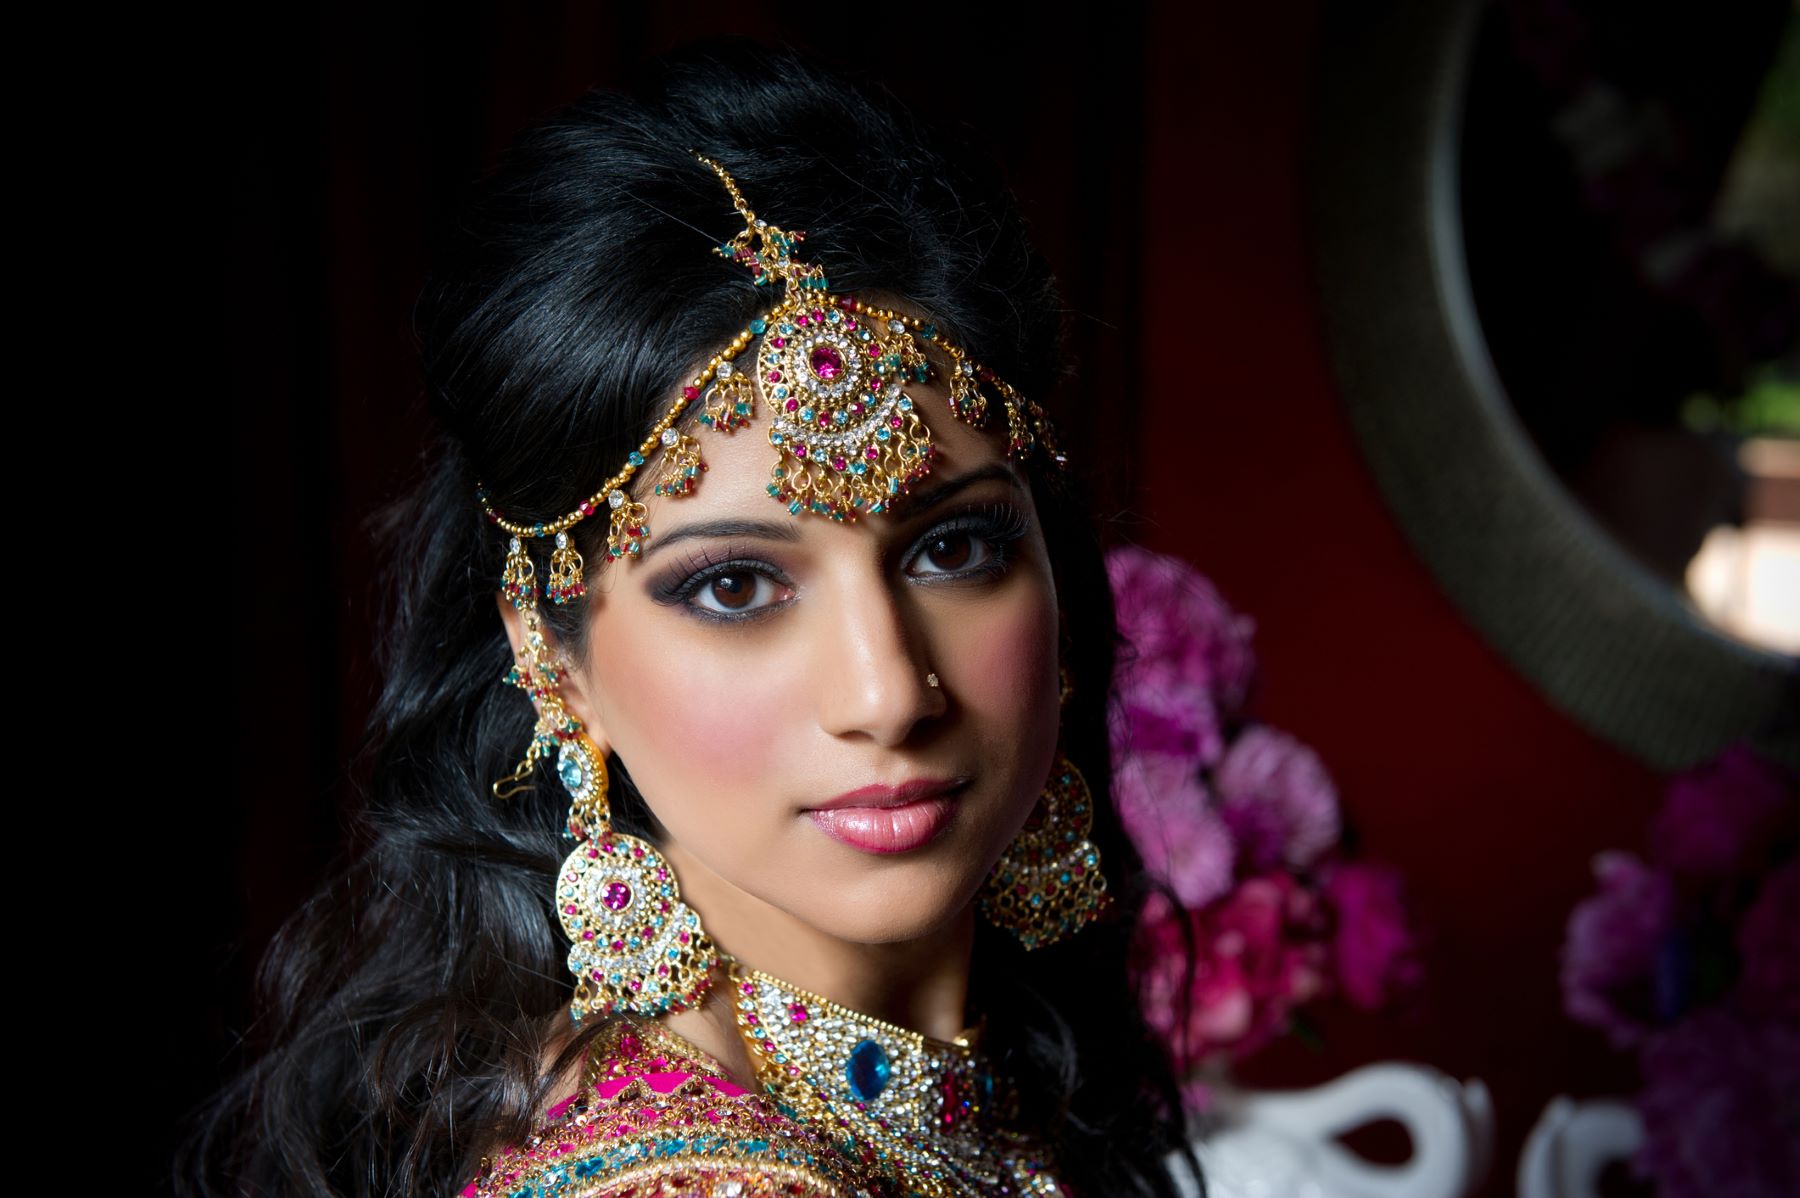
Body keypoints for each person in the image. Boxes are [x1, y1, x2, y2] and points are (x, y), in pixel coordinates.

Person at [184, 41, 1204, 1198]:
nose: (886, 691)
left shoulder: (948, 1091)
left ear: (1054, 569)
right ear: (552, 659)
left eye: (952, 546)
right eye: (732, 587)